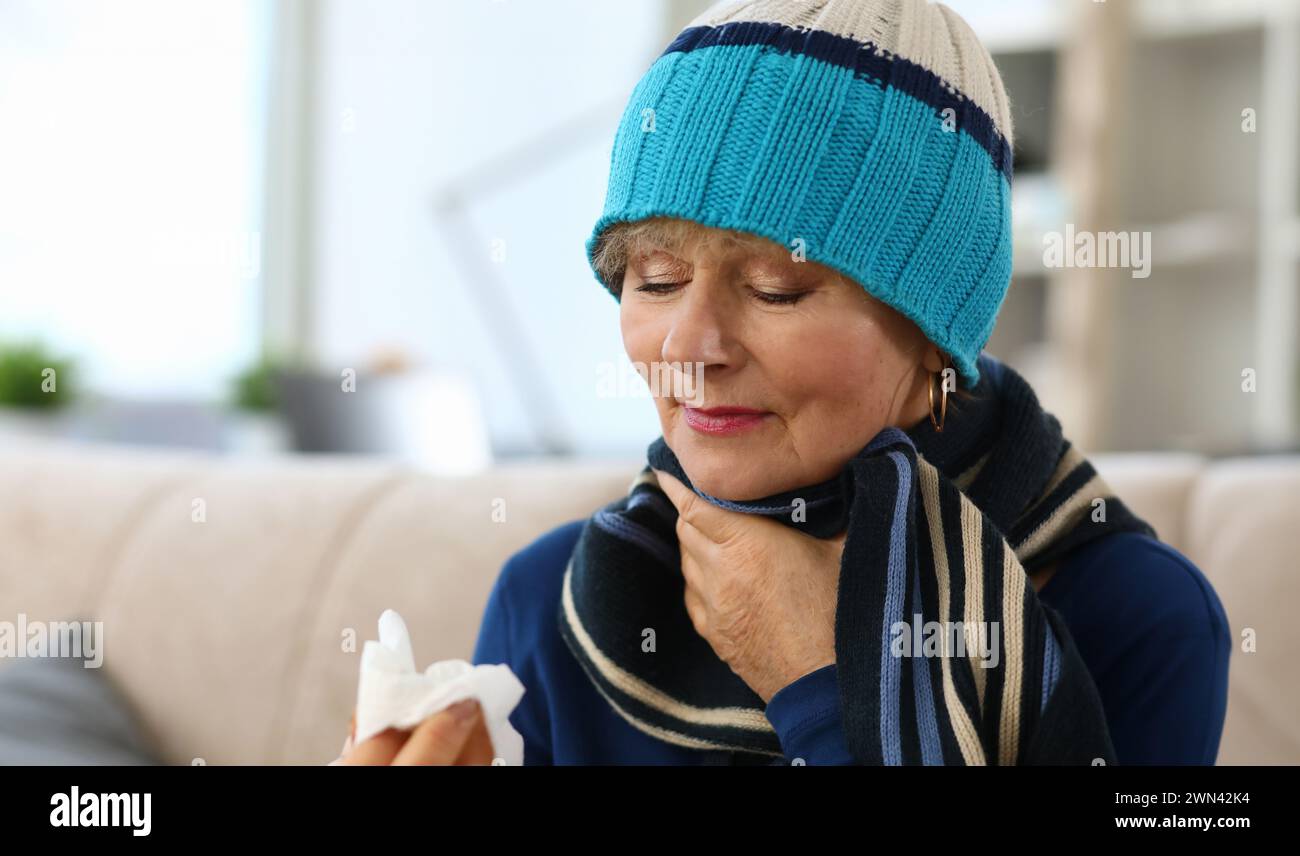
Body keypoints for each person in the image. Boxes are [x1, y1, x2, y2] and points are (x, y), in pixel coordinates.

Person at [339, 0, 1230, 766]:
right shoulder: (552, 603)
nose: (691, 344)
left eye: (777, 288)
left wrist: (816, 677)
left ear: (934, 333)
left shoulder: (1142, 619)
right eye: (654, 278)